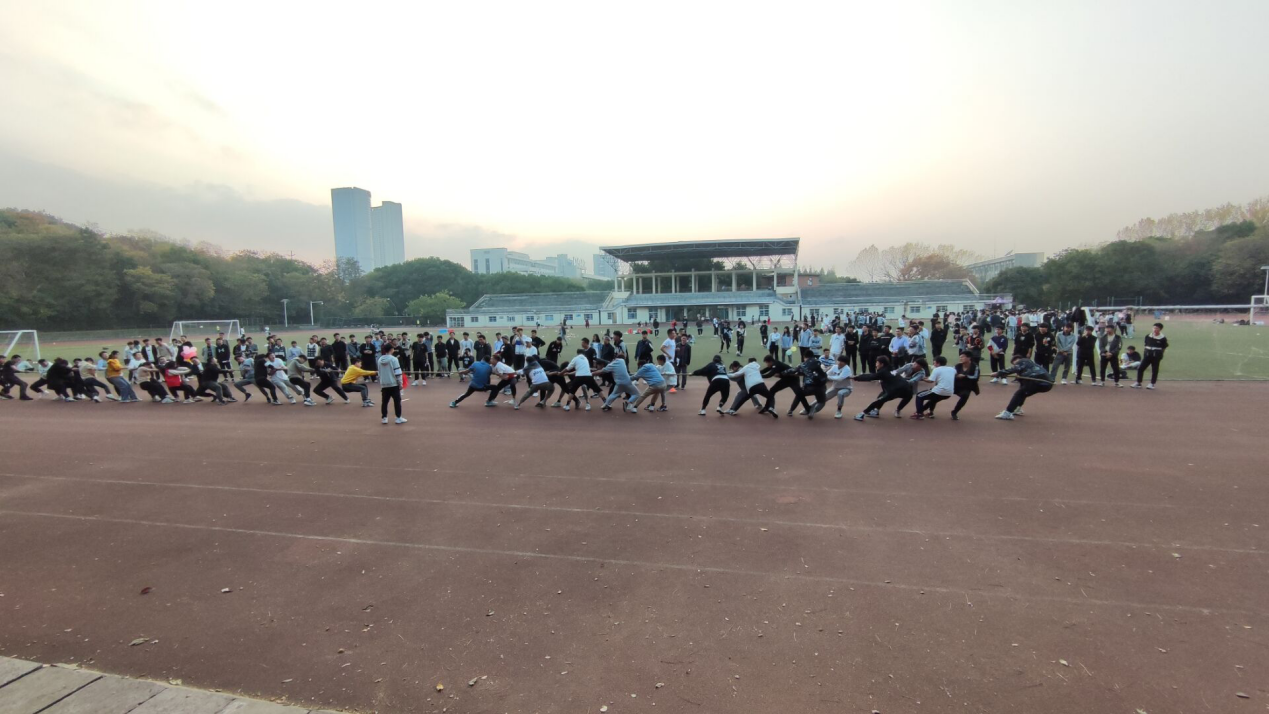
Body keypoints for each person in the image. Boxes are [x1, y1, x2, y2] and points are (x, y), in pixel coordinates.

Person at [992, 354, 1054, 420]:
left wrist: (998, 373)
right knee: (1022, 393)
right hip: (1047, 384)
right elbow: (1022, 387)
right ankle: (1017, 409)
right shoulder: (1028, 368)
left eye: (1014, 363)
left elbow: (1014, 369)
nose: (1015, 365)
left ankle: (1008, 413)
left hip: (1038, 380)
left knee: (1019, 394)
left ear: (1018, 359)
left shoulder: (1023, 361)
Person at [853, 356, 914, 420]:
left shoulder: (883, 372)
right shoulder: (891, 369)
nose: (876, 364)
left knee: (879, 400)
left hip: (895, 390)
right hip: (907, 389)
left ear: (882, 364)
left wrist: (857, 377)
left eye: (877, 363)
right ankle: (879, 411)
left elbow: (871, 377)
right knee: (883, 395)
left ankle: (862, 414)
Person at [376, 342, 406, 424]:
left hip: (384, 384)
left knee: (384, 402)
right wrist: (400, 383)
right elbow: (398, 372)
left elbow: (379, 372)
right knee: (397, 401)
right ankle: (398, 417)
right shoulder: (394, 359)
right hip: (393, 384)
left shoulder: (379, 360)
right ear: (391, 349)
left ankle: (384, 418)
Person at [1133, 323, 1168, 389]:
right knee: (1140, 368)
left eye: (1157, 328)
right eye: (1154, 328)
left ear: (1160, 329)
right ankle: (1138, 382)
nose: (1155, 329)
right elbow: (1146, 345)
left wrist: (1160, 355)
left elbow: (1164, 347)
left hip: (1156, 356)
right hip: (1147, 355)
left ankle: (1152, 384)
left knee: (1154, 370)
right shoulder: (1148, 336)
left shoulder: (1162, 338)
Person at [948, 351, 980, 420]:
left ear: (969, 358)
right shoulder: (957, 366)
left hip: (967, 386)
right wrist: (956, 376)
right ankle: (929, 409)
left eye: (963, 357)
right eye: (960, 357)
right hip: (955, 385)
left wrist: (965, 376)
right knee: (939, 393)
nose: (961, 358)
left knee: (965, 396)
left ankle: (954, 412)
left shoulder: (975, 367)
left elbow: (976, 377)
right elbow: (951, 373)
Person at [826, 355, 853, 419]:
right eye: (839, 361)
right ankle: (809, 408)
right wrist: (827, 376)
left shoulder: (847, 369)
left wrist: (828, 377)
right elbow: (826, 374)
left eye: (842, 361)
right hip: (835, 387)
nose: (839, 363)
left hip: (846, 388)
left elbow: (839, 379)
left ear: (845, 363)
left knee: (840, 393)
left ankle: (839, 411)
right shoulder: (834, 367)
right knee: (823, 397)